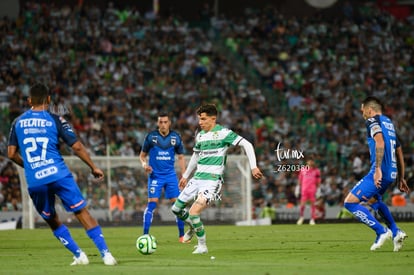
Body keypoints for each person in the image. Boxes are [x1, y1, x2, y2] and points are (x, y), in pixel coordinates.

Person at [7, 83, 117, 266]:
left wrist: (30, 166)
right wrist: (93, 167)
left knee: (51, 218)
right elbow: (77, 146)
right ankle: (106, 255)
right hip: (59, 174)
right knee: (81, 211)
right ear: (48, 100)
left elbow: (11, 154)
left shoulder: (17, 122)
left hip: (36, 180)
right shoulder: (55, 119)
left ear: (29, 101)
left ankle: (79, 255)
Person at [171, 103, 263, 254]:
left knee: (194, 212)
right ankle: (194, 227)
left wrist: (253, 166)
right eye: (199, 119)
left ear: (213, 119)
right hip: (197, 177)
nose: (200, 122)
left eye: (203, 119)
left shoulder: (223, 133)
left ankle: (202, 246)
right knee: (176, 209)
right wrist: (186, 175)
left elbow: (247, 144)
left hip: (212, 179)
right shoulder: (200, 135)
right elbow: (196, 155)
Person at [343, 96, 410, 252]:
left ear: (369, 109)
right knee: (374, 199)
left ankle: (381, 231)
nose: (362, 114)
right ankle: (395, 231)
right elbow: (399, 150)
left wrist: (378, 169)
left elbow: (380, 142)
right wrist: (401, 177)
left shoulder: (372, 121)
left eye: (363, 111)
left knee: (350, 203)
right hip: (391, 173)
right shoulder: (389, 123)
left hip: (380, 171)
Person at [139, 113, 186, 242]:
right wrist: (144, 165)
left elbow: (181, 157)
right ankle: (145, 235)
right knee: (151, 205)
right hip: (155, 176)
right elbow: (142, 156)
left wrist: (184, 175)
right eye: (161, 122)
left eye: (165, 122)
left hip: (170, 176)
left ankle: (182, 236)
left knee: (178, 206)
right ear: (157, 123)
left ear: (169, 123)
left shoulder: (175, 137)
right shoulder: (151, 137)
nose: (163, 124)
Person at [296, 159, 321, 225]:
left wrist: (318, 190)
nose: (311, 162)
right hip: (304, 190)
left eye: (312, 161)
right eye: (309, 160)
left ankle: (312, 219)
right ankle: (301, 217)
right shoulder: (303, 169)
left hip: (312, 190)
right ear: (307, 161)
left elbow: (318, 181)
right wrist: (297, 188)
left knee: (313, 205)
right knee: (302, 205)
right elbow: (300, 179)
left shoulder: (316, 171)